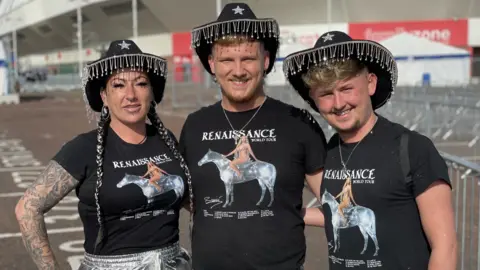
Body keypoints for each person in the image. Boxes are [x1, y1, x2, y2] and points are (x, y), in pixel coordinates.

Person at [283, 31, 457, 269]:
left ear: (371, 83)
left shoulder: (413, 148)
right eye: (326, 94)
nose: (338, 103)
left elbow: (445, 247)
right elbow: (342, 213)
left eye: (346, 88)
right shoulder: (329, 151)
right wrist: (287, 212)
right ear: (314, 99)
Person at [14, 40, 193, 270]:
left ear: (151, 92)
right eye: (118, 85)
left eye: (140, 83)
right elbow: (27, 209)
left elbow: (190, 199)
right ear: (104, 96)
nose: (131, 95)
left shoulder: (165, 139)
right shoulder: (83, 148)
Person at [179, 2, 327, 270]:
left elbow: (333, 203)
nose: (238, 70)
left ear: (266, 60)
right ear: (212, 64)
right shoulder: (194, 125)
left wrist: (294, 212)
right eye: (227, 60)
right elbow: (189, 198)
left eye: (248, 58)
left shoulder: (298, 123)